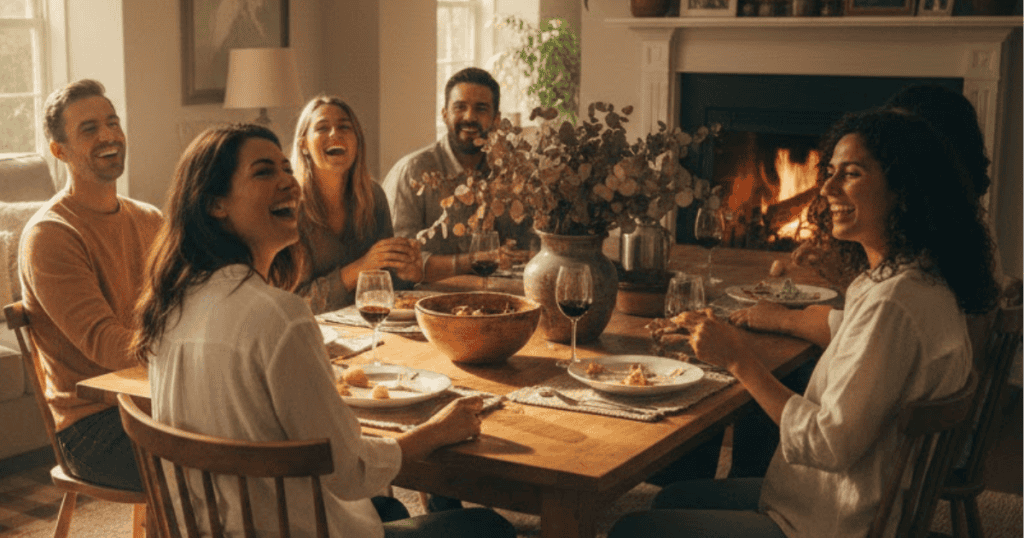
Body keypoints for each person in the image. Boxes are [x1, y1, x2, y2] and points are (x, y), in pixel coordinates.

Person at [609, 109, 999, 537]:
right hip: (850, 500)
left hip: (835, 522)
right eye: (829, 172)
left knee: (634, 528)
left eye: (850, 174)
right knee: (675, 497)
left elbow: (829, 443)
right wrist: (777, 320)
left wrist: (740, 360)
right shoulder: (917, 278)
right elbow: (863, 340)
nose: (827, 187)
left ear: (902, 191)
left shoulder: (893, 305)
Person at [132, 123, 515, 538]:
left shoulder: (169, 303)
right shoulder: (280, 315)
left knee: (384, 506)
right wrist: (436, 432)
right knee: (486, 524)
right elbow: (349, 471)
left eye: (285, 169)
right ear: (215, 204)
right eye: (263, 172)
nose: (288, 182)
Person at [18, 79, 163, 492]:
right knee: (227, 462)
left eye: (112, 122)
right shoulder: (50, 235)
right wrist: (190, 362)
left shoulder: (150, 219)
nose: (108, 135)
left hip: (154, 400)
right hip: (91, 428)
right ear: (59, 150)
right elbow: (106, 344)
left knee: (264, 433)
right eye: (89, 129)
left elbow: (187, 305)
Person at [382, 67, 533, 282]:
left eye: (481, 109)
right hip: (423, 305)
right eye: (460, 107)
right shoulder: (412, 173)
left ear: (497, 119)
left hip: (500, 301)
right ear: (445, 114)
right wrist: (474, 261)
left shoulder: (511, 175)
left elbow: (529, 248)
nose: (469, 117)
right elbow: (399, 264)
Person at [291, 96, 422, 314]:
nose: (335, 133)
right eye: (322, 128)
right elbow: (296, 304)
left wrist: (408, 275)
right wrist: (361, 268)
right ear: (303, 144)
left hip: (369, 327)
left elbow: (387, 289)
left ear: (357, 141)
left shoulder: (373, 196)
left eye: (344, 126)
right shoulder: (291, 208)